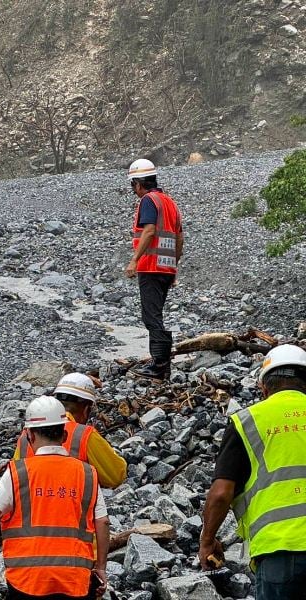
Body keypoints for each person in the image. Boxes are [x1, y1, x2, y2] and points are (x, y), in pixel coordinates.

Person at [0, 396, 110, 599]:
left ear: (30, 435)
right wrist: (101, 567)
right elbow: (103, 522)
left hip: (27, 580)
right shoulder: (87, 473)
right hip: (74, 578)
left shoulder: (18, 472)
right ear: (63, 435)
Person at [199, 344, 306, 599]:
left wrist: (207, 541)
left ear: (264, 388)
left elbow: (221, 493)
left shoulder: (247, 421)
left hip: (280, 550)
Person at [124, 158, 184, 381]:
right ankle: (163, 364)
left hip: (150, 267)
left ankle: (159, 365)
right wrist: (174, 269)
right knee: (156, 314)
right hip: (166, 269)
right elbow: (179, 238)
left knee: (151, 316)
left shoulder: (149, 201)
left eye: (133, 185)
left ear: (139, 183)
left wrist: (134, 261)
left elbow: (148, 231)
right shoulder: (170, 202)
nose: (133, 190)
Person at [14, 373, 127, 489]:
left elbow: (14, 480)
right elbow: (116, 477)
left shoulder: (25, 436)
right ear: (86, 410)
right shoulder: (84, 435)